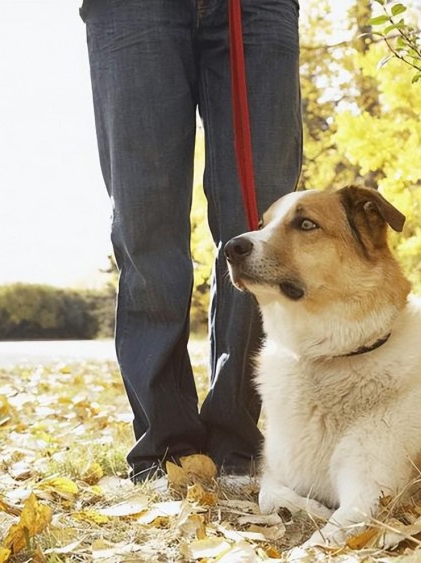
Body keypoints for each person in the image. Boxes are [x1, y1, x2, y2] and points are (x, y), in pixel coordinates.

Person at [80, 0, 302, 482]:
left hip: (255, 10)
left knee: (262, 234)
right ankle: (166, 450)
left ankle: (237, 443)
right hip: (130, 11)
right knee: (146, 231)